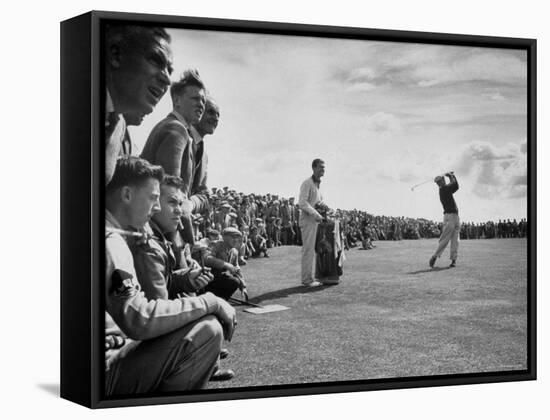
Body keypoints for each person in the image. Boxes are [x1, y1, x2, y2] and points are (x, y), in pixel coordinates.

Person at [104, 156, 237, 394]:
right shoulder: (111, 241)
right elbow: (140, 318)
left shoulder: (113, 231)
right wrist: (211, 302)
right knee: (207, 331)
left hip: (112, 349)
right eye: (154, 198)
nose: (155, 208)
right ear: (126, 195)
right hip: (104, 372)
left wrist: (185, 279)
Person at [104, 25, 173, 185]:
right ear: (116, 55)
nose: (167, 79)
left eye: (169, 70)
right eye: (156, 60)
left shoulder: (118, 124)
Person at [298, 159, 328, 287]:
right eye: (321, 167)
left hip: (316, 222)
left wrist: (327, 209)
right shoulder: (307, 183)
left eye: (324, 167)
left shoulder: (318, 186)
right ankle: (306, 279)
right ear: (314, 168)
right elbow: (302, 203)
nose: (323, 169)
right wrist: (316, 214)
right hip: (308, 222)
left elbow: (319, 203)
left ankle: (312, 277)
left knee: (315, 250)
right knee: (308, 250)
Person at [429, 172, 460, 268]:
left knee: (455, 240)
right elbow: (454, 184)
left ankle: (453, 260)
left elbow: (456, 186)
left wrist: (451, 176)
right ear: (441, 182)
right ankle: (434, 256)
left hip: (455, 216)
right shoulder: (444, 189)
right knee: (445, 239)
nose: (444, 181)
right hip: (449, 217)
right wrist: (450, 175)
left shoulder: (445, 189)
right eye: (442, 180)